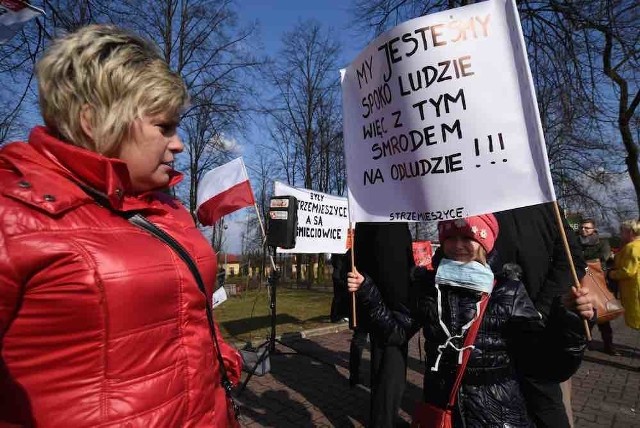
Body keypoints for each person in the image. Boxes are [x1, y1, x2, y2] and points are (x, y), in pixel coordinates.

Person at [0, 25, 242, 427]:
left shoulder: (165, 207)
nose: (178, 143)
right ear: (94, 120)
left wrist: (221, 360)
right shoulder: (14, 213)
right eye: (164, 127)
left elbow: (188, 310)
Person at [348, 214, 594, 427]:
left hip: (497, 416)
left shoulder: (507, 292)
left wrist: (570, 320)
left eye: (468, 238)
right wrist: (367, 290)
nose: (458, 246)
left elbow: (543, 363)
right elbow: (395, 332)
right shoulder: (428, 288)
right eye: (450, 238)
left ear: (484, 242)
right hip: (443, 411)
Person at [494, 203, 587, 428]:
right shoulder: (475, 202)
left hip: (538, 329)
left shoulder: (543, 203)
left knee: (545, 403)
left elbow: (571, 259)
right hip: (489, 330)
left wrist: (541, 310)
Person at [353, 222, 414, 427]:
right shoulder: (386, 223)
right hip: (391, 309)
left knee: (385, 369)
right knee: (389, 364)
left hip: (383, 303)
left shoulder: (374, 219)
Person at [578, 218, 617, 355]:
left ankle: (609, 345)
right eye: (582, 227)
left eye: (587, 228)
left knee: (602, 314)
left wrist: (585, 258)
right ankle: (583, 343)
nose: (583, 230)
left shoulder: (602, 242)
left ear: (594, 229)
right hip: (581, 281)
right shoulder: (576, 242)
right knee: (584, 313)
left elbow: (604, 257)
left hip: (599, 280)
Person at [608, 219, 640, 331]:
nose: (620, 234)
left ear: (630, 232)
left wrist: (611, 274)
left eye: (622, 231)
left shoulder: (631, 248)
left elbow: (628, 271)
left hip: (634, 289)